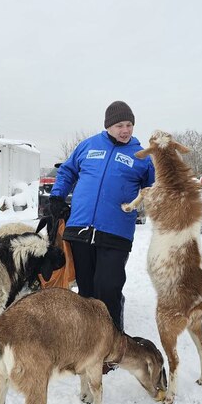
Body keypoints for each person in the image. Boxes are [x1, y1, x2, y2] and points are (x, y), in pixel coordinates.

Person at [48, 100, 155, 334]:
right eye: (119, 125)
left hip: (116, 232)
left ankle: (113, 340)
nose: (125, 130)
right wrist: (57, 196)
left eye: (129, 125)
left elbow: (155, 188)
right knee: (86, 291)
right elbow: (67, 171)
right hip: (80, 229)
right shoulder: (88, 146)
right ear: (108, 126)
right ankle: (88, 339)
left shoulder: (141, 156)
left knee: (108, 288)